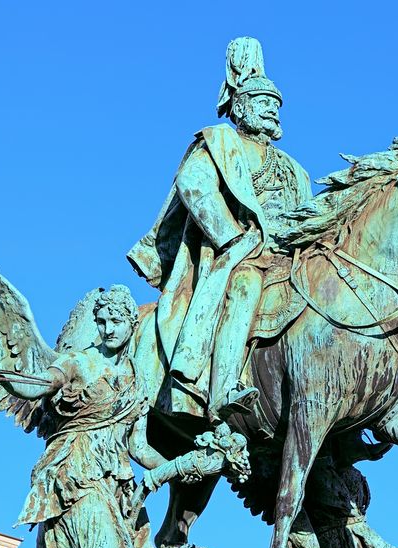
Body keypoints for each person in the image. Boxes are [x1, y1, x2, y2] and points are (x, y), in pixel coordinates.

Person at [128, 37, 312, 421]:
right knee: (244, 286)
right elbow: (193, 185)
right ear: (241, 106)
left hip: (288, 256)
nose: (273, 112)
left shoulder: (296, 170)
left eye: (276, 107)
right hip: (241, 252)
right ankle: (224, 387)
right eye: (264, 104)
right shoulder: (220, 142)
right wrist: (232, 236)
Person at [0, 285, 167, 548]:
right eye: (102, 321)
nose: (108, 328)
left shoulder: (135, 383)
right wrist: (4, 375)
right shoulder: (78, 362)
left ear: (130, 324)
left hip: (114, 486)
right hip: (73, 476)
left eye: (116, 322)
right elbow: (35, 386)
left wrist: (183, 466)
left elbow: (139, 447)